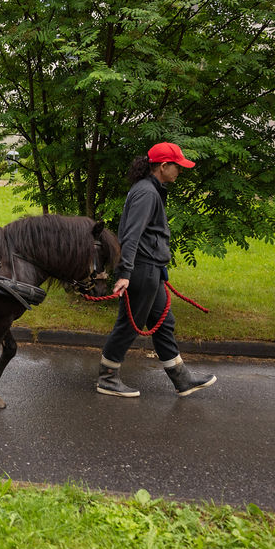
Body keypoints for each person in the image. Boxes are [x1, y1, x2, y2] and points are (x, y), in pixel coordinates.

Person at [97, 142, 217, 397]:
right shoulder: (147, 193)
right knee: (130, 324)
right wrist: (125, 273)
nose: (179, 172)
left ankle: (182, 379)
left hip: (152, 268)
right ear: (163, 166)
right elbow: (131, 235)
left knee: (164, 322)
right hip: (142, 268)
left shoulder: (151, 189)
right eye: (177, 167)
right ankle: (107, 378)